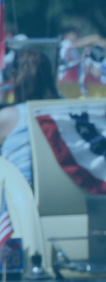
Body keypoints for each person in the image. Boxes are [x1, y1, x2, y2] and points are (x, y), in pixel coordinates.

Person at [0, 48, 61, 186]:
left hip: (18, 199)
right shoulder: (65, 113)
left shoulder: (9, 117)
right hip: (61, 196)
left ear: (16, 79)